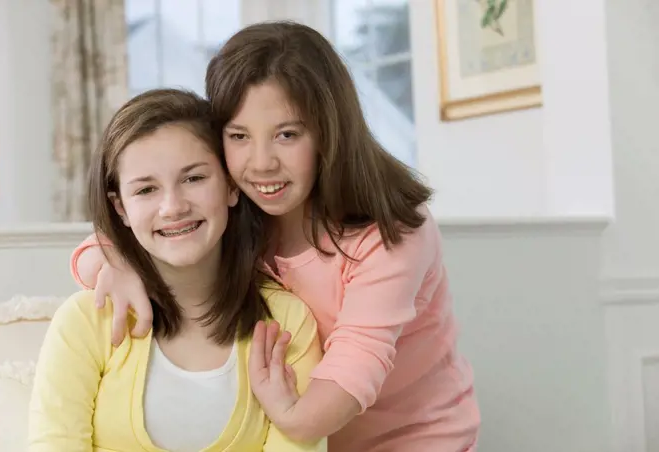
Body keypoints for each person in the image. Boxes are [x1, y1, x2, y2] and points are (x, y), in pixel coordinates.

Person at [68, 21, 480, 452]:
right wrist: (119, 261)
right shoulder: (242, 208)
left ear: (329, 132)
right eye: (239, 136)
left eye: (287, 135)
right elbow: (103, 246)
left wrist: (290, 415)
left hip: (412, 440)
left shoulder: (391, 232)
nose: (261, 164)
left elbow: (345, 382)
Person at [28, 88, 326, 452]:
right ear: (120, 208)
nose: (173, 207)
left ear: (231, 186)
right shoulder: (86, 320)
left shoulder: (289, 321)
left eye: (193, 179)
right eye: (146, 190)